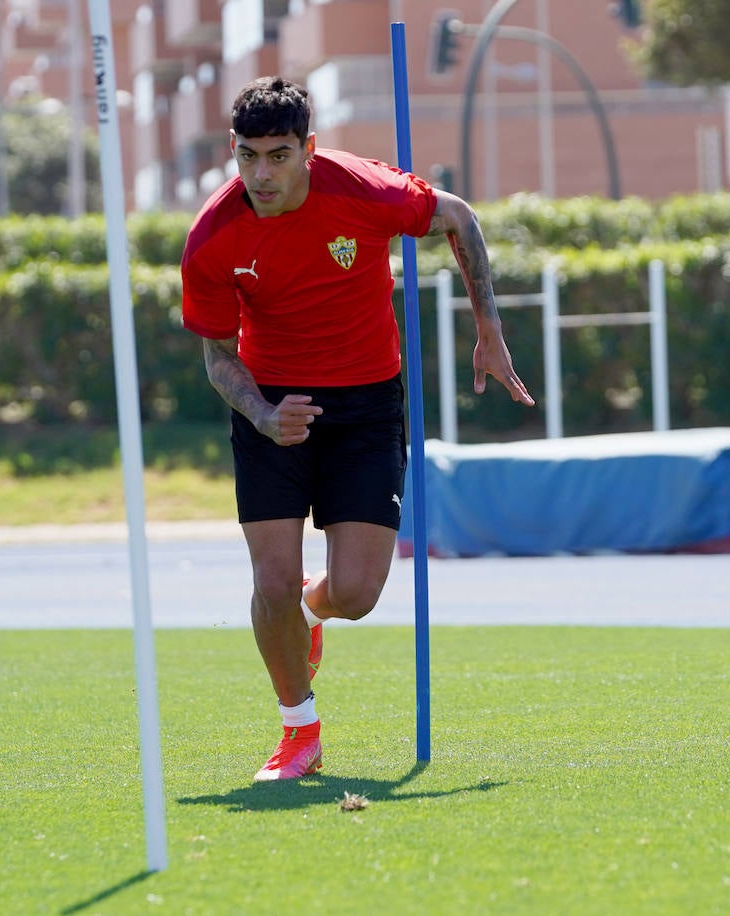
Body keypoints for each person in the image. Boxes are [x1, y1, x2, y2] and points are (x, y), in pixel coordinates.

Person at [180, 76, 534, 781]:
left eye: (279, 156)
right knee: (270, 579)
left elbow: (459, 218)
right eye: (247, 156)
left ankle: (314, 614)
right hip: (273, 406)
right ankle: (298, 730)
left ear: (308, 149)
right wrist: (262, 414)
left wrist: (488, 327)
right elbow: (219, 357)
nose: (261, 174)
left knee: (357, 595)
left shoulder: (365, 191)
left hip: (368, 404)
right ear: (233, 152)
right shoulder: (214, 237)